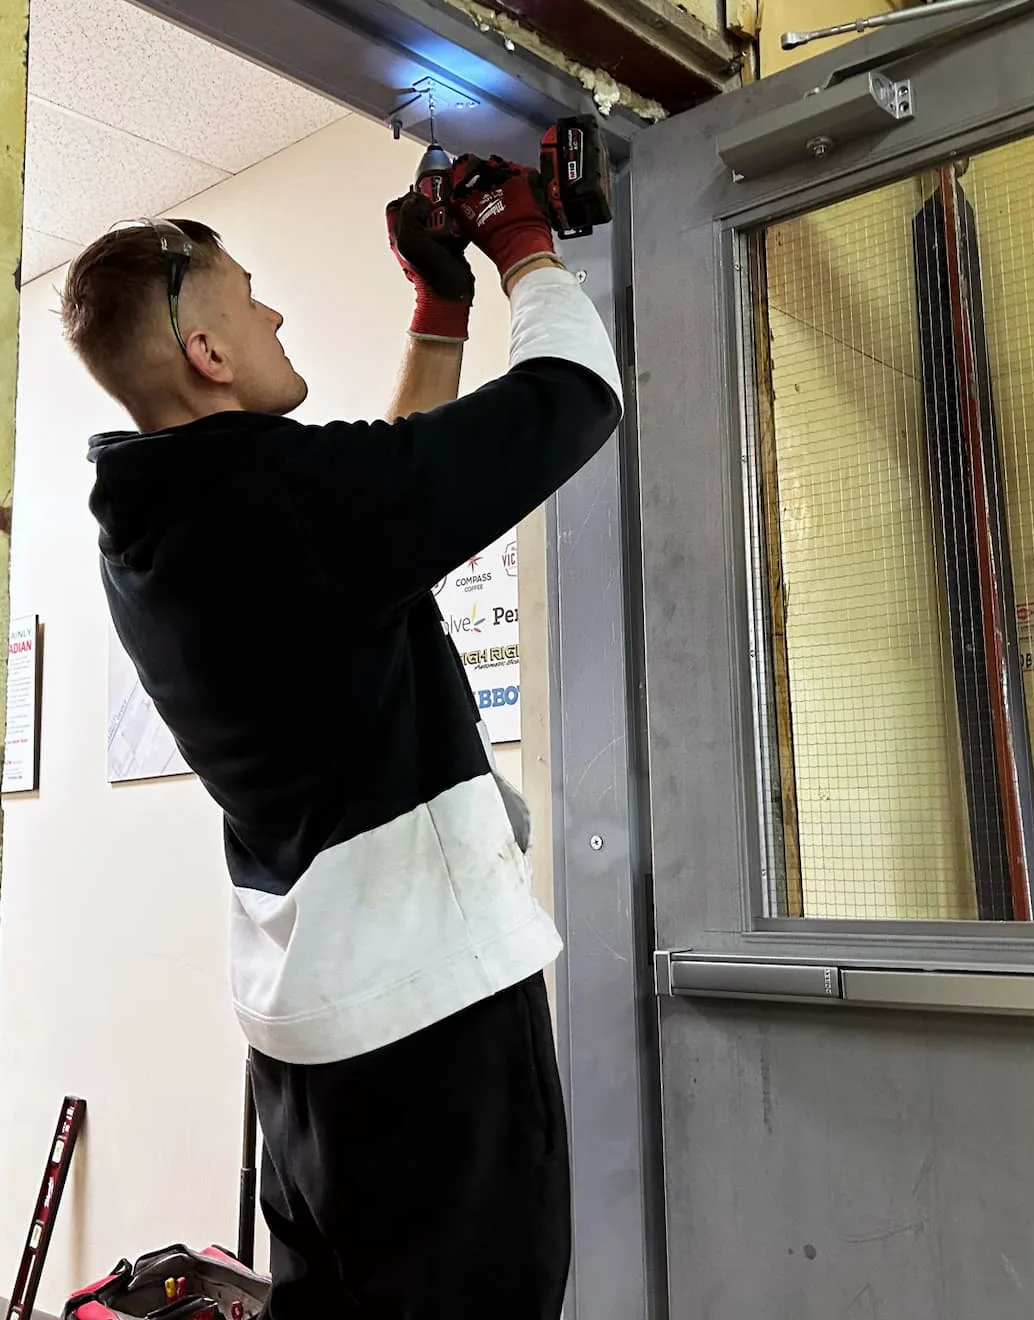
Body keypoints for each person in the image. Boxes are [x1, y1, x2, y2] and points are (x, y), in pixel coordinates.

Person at [60, 154, 621, 1317]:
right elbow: (574, 396)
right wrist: (522, 245)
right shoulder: (277, 502)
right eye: (250, 296)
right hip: (428, 1024)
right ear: (207, 355)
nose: (271, 311)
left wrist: (439, 305)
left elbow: (379, 516)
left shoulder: (158, 523)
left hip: (309, 1040)